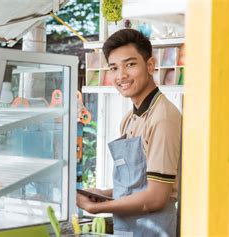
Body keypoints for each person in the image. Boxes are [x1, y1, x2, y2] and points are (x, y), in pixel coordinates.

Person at [76, 29, 182, 237]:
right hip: (129, 229)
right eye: (114, 68)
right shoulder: (129, 118)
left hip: (154, 230)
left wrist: (98, 208)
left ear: (150, 65)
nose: (121, 75)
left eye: (130, 64)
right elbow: (139, 186)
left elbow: (156, 197)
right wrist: (103, 194)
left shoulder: (163, 117)